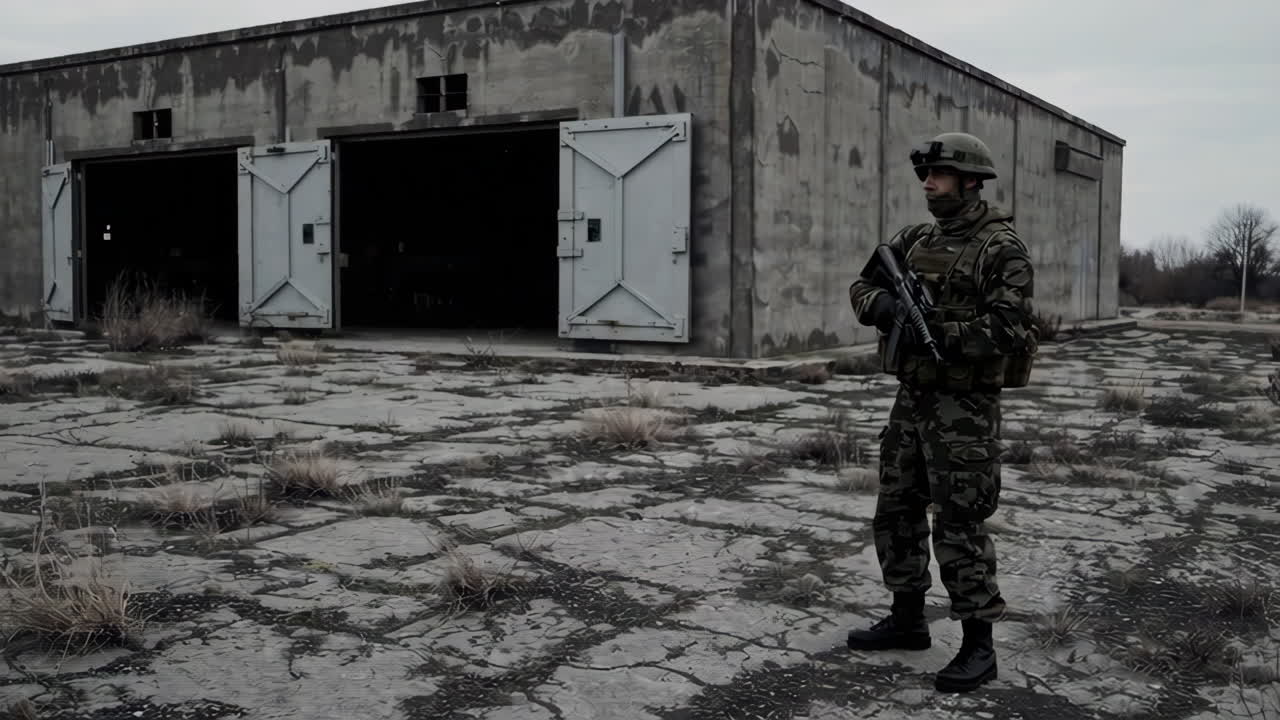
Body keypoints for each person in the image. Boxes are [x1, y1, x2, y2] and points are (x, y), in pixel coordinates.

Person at [845, 132, 1039, 693]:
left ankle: (980, 646)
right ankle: (908, 621)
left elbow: (1010, 328)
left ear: (972, 180)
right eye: (925, 176)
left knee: (959, 523)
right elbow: (862, 285)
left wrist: (943, 333)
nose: (928, 184)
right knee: (897, 510)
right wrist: (882, 305)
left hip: (966, 409)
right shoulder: (912, 239)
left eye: (940, 175)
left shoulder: (1002, 248)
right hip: (912, 401)